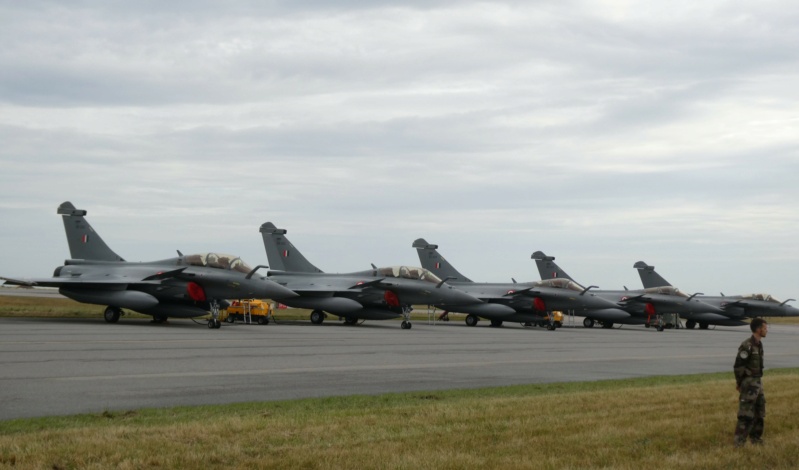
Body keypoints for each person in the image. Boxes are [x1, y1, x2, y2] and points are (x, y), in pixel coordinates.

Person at [733, 318, 768, 447]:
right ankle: (739, 442)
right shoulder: (746, 345)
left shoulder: (759, 344)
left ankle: (756, 438)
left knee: (760, 412)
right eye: (765, 328)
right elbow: (738, 366)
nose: (766, 330)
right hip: (749, 383)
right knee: (745, 414)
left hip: (758, 382)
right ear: (759, 329)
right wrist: (740, 383)